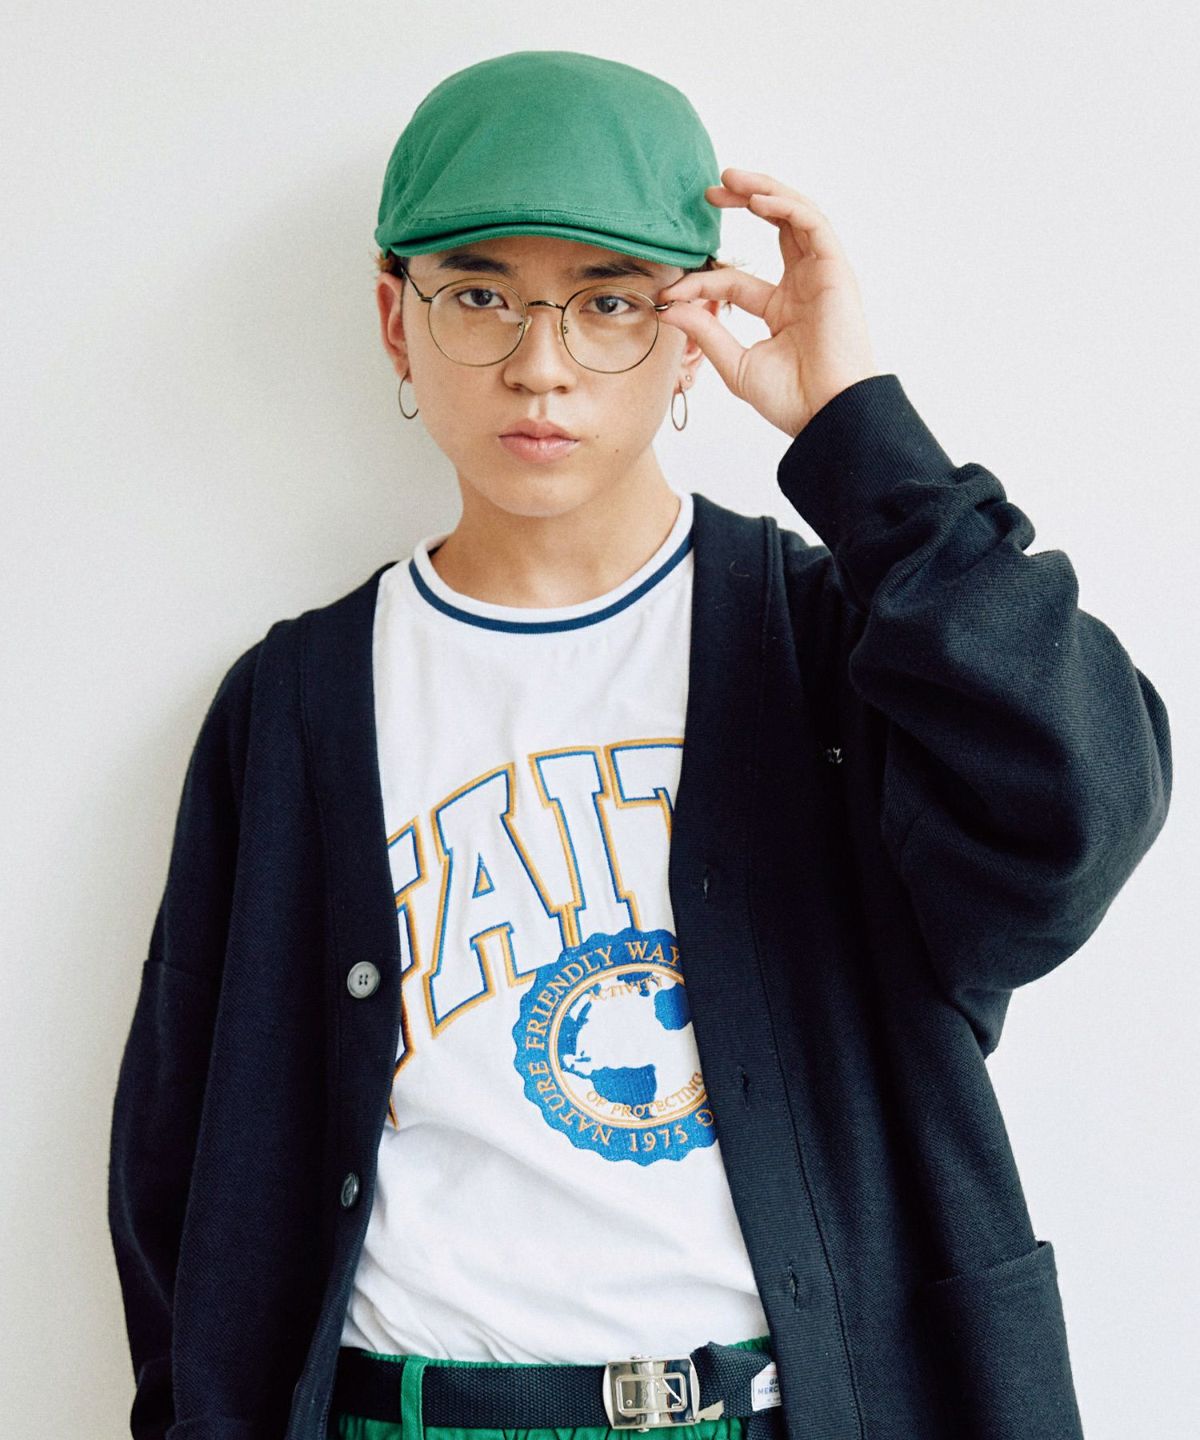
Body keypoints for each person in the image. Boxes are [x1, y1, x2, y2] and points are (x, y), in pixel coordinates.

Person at [107, 49, 1172, 1440]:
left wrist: (863, 443)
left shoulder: (839, 648)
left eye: (609, 302)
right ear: (394, 320)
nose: (539, 365)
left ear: (690, 331)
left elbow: (1082, 806)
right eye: (478, 296)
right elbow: (184, 1169)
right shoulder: (290, 706)